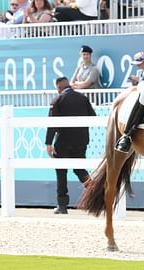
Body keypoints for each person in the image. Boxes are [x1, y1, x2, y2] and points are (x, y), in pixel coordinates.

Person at [45, 77, 96, 214]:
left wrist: (48, 143)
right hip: (81, 141)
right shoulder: (82, 98)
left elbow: (52, 124)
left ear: (59, 88)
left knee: (61, 172)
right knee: (80, 169)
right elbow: (93, 116)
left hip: (63, 142)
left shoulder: (57, 100)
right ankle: (97, 194)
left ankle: (62, 205)